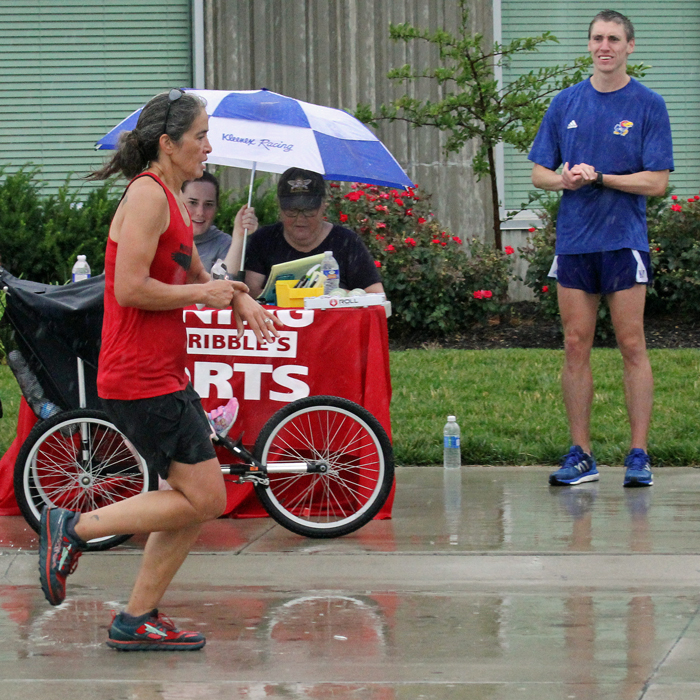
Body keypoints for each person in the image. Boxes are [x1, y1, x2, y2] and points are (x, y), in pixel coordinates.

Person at [38, 88, 282, 651]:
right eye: (200, 136)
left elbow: (200, 275)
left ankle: (137, 618)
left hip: (162, 374)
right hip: (139, 375)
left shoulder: (172, 198)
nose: (208, 146)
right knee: (206, 497)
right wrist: (207, 290)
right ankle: (73, 527)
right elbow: (128, 288)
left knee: (193, 500)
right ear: (168, 144)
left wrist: (239, 297)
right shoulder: (147, 197)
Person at [529, 10, 673, 488]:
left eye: (614, 38)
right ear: (589, 45)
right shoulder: (565, 102)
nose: (604, 46)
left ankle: (638, 455)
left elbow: (657, 182)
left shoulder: (648, 104)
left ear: (630, 46)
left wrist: (603, 177)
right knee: (575, 345)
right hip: (575, 243)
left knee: (632, 344)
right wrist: (565, 179)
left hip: (623, 241)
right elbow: (539, 173)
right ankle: (582, 454)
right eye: (597, 38)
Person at [225, 167, 383, 299]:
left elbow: (377, 295)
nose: (300, 218)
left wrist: (339, 295)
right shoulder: (264, 240)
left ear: (323, 206)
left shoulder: (346, 242)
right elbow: (251, 292)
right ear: (279, 207)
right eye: (291, 211)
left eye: (309, 210)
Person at [182, 171, 258, 273]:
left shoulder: (224, 244)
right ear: (177, 201)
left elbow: (226, 283)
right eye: (193, 203)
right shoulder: (161, 236)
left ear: (217, 207)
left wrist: (239, 236)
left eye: (208, 204)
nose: (200, 212)